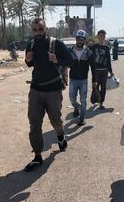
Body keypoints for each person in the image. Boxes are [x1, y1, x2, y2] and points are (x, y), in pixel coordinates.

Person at [24, 18, 73, 172]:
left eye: (40, 29)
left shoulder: (55, 43)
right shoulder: (31, 44)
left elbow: (70, 61)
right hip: (36, 90)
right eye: (35, 30)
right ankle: (38, 156)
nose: (38, 32)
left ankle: (60, 135)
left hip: (53, 90)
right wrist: (27, 59)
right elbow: (30, 63)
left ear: (46, 29)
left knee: (56, 120)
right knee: (34, 124)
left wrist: (57, 59)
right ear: (32, 30)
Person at [68, 30, 97, 126]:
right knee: (72, 98)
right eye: (78, 39)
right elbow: (64, 64)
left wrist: (94, 80)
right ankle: (76, 107)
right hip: (72, 79)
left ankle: (82, 118)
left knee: (83, 100)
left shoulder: (89, 53)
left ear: (84, 40)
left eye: (82, 39)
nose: (80, 41)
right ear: (76, 39)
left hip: (83, 80)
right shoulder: (70, 51)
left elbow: (93, 67)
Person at [90, 30, 114, 109]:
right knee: (95, 87)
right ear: (97, 36)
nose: (102, 38)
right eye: (100, 36)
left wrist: (111, 71)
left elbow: (108, 60)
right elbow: (89, 58)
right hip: (96, 71)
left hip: (104, 70)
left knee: (103, 87)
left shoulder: (106, 48)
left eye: (103, 36)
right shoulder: (93, 46)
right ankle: (96, 99)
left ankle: (101, 103)